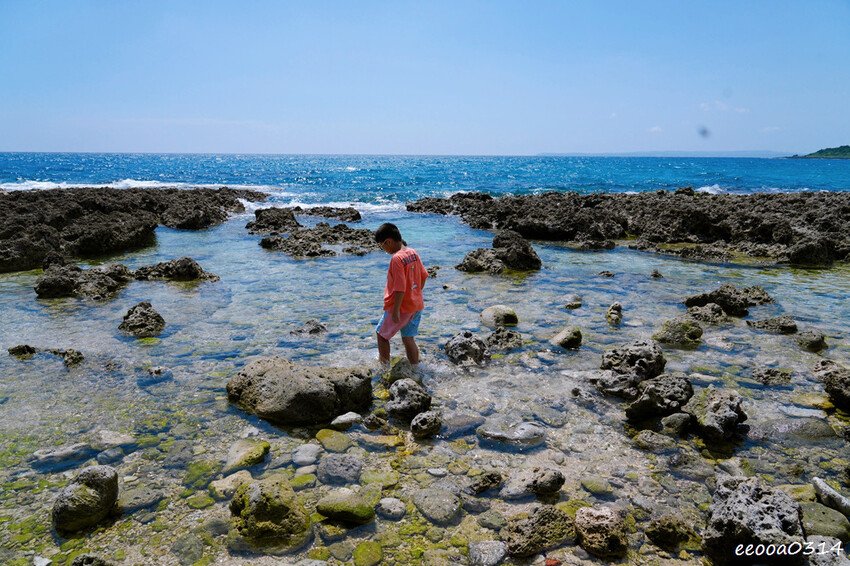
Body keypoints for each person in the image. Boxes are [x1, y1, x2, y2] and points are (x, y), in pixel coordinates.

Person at [374, 223, 428, 365]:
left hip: (401, 307)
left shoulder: (396, 259)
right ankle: (415, 367)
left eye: (382, 245)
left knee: (382, 335)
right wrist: (415, 294)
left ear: (389, 241)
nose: (383, 249)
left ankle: (384, 367)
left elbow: (399, 288)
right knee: (408, 338)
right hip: (416, 305)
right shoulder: (413, 252)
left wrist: (396, 310)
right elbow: (423, 277)